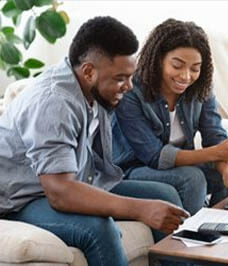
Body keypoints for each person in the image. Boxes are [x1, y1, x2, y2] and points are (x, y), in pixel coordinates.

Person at [0, 16, 189, 266]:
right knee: (99, 229)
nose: (129, 86)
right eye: (121, 78)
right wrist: (141, 209)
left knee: (165, 194)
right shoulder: (54, 103)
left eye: (130, 76)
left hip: (76, 179)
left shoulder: (91, 88)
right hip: (23, 199)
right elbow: (60, 192)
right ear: (88, 70)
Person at [112, 18, 228, 216]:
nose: (186, 76)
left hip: (174, 167)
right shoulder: (132, 90)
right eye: (177, 65)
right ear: (159, 58)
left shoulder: (200, 88)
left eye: (195, 68)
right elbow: (154, 156)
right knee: (193, 178)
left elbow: (214, 135)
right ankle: (189, 241)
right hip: (132, 170)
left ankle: (219, 232)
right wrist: (218, 152)